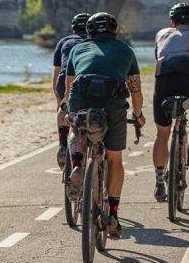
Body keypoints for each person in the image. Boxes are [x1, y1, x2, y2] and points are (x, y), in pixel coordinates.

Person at [63, 12, 146, 238]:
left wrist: (67, 111)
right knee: (114, 158)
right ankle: (113, 215)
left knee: (75, 130)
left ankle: (78, 163)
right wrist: (138, 115)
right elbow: (135, 90)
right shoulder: (125, 51)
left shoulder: (76, 49)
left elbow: (68, 85)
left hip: (81, 97)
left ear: (88, 33)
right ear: (115, 33)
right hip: (113, 103)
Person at [152, 3, 189, 202]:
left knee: (162, 134)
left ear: (172, 22)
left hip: (164, 83)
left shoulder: (161, 35)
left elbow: (158, 61)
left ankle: (160, 182)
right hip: (188, 81)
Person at [52, 13, 90, 169]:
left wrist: (59, 101)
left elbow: (57, 76)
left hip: (64, 81)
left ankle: (62, 144)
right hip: (87, 81)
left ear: (73, 29)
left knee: (65, 108)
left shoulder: (64, 42)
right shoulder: (94, 43)